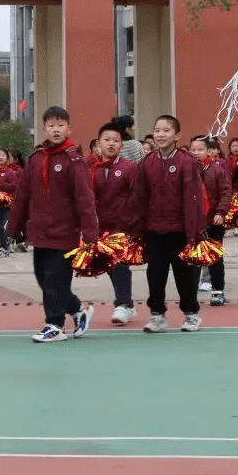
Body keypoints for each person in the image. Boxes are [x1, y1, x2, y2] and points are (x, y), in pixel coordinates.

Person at [9, 107, 97, 342]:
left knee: (55, 279)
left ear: (69, 128)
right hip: (40, 232)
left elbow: (85, 199)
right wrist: (14, 227)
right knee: (44, 279)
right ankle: (79, 310)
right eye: (51, 125)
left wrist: (90, 234)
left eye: (61, 125)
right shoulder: (36, 159)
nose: (56, 129)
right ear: (44, 128)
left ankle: (54, 325)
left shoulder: (74, 159)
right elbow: (22, 195)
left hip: (65, 233)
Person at [130, 115, 205, 333]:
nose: (161, 135)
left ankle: (191, 314)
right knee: (155, 275)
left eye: (166, 131)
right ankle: (157, 316)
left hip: (181, 232)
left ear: (177, 135)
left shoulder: (187, 162)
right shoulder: (147, 163)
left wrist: (194, 233)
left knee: (184, 276)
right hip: (154, 232)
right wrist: (136, 230)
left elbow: (194, 200)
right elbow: (139, 198)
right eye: (157, 130)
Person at [92, 124, 141, 325]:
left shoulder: (129, 168)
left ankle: (122, 305)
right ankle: (127, 304)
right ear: (98, 144)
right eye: (107, 140)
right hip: (100, 228)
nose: (111, 144)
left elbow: (139, 196)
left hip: (123, 227)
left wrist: (135, 223)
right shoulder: (92, 170)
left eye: (116, 141)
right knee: (110, 266)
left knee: (120, 265)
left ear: (122, 145)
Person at [190, 135, 233, 305]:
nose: (196, 153)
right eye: (193, 150)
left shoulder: (217, 170)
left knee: (214, 257)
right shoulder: (186, 170)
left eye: (200, 150)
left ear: (208, 151)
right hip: (193, 222)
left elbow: (225, 193)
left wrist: (221, 213)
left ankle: (218, 291)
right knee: (193, 257)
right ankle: (190, 291)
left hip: (214, 220)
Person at [0, 148, 23, 257]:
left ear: (7, 158)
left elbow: (15, 185)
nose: (1, 157)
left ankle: (4, 248)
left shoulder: (10, 172)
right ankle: (6, 242)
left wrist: (2, 187)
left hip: (5, 204)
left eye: (3, 155)